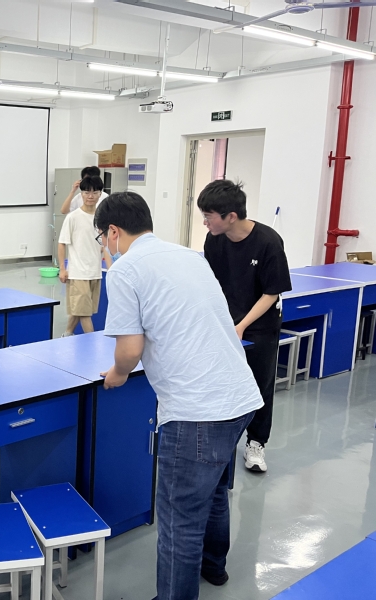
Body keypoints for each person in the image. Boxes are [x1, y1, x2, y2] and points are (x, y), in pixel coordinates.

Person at [95, 191, 263, 600]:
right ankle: (214, 567)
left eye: (101, 237)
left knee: (179, 519)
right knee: (214, 490)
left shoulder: (124, 270)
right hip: (239, 396)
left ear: (113, 231)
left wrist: (117, 375)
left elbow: (129, 350)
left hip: (196, 411)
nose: (103, 245)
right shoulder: (190, 256)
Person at [198, 180, 292, 474]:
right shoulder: (214, 240)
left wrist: (241, 325)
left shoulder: (268, 242)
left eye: (209, 216)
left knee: (259, 385)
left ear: (231, 216)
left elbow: (272, 293)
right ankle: (221, 439)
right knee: (221, 381)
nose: (205, 222)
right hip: (226, 323)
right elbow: (212, 283)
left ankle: (256, 443)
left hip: (259, 325)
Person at [58, 175, 105, 337]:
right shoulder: (73, 217)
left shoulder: (102, 218)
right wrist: (62, 269)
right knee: (84, 313)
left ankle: (67, 335)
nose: (90, 196)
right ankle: (92, 342)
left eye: (94, 192)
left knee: (80, 309)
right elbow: (62, 243)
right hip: (78, 272)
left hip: (95, 272)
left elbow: (104, 245)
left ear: (100, 194)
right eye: (86, 192)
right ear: (81, 194)